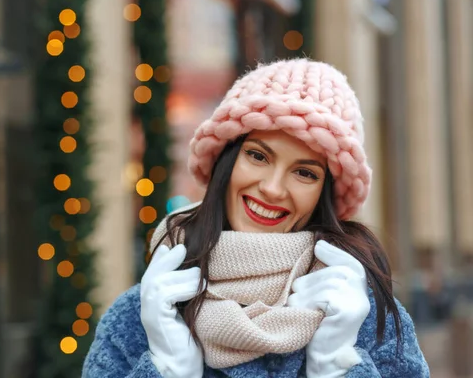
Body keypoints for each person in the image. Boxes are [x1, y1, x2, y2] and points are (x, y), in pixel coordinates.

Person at [82, 59, 429, 377]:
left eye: (305, 173)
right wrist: (167, 369)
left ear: (325, 193)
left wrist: (337, 365)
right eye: (258, 156)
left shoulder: (370, 319)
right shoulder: (141, 314)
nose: (274, 189)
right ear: (225, 160)